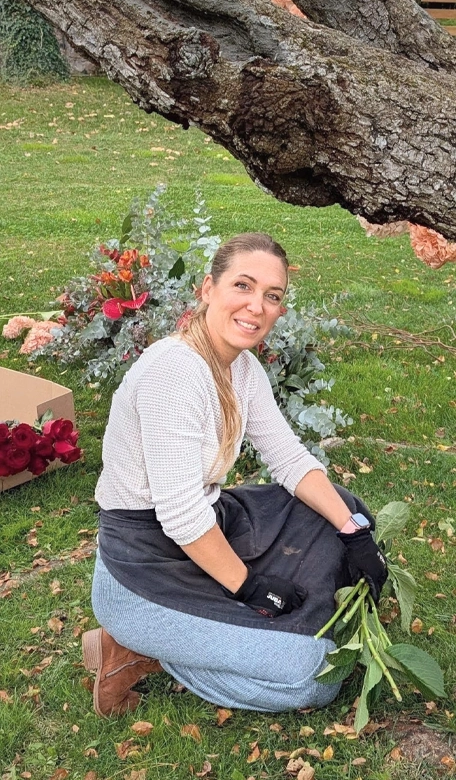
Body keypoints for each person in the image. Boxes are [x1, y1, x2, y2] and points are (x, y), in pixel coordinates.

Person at [83, 232, 388, 717]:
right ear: (208, 289)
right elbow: (180, 517)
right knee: (312, 675)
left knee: (342, 511)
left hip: (209, 525)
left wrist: (354, 535)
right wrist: (250, 587)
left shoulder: (242, 368)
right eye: (242, 286)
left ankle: (234, 629)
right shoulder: (174, 373)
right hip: (144, 565)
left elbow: (288, 458)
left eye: (273, 295)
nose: (256, 306)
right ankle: (137, 648)